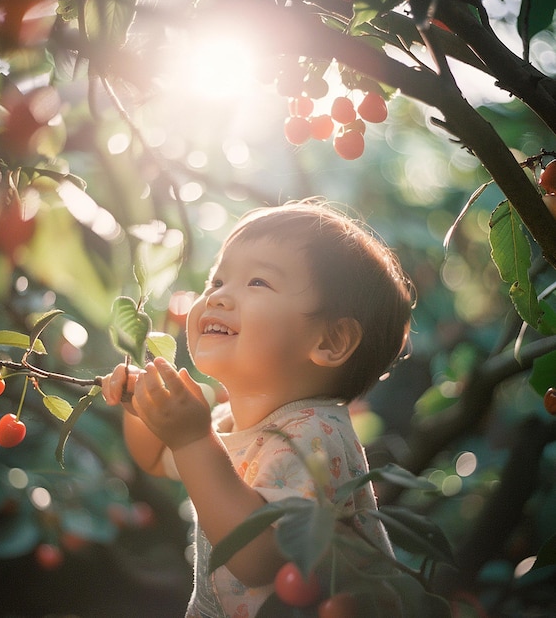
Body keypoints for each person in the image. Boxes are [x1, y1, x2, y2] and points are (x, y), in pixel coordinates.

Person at [101, 199, 414, 617]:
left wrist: (192, 439)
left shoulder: (315, 435)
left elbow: (259, 558)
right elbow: (157, 459)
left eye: (258, 283)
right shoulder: (225, 423)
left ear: (330, 341)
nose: (219, 298)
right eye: (216, 282)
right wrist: (143, 409)